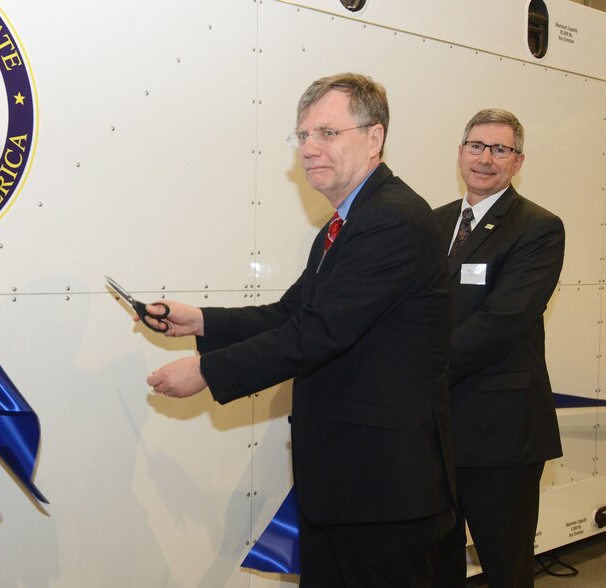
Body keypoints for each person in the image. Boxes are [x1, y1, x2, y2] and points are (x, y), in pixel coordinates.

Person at [144, 73, 456, 587]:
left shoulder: (391, 220)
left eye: (327, 133)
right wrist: (199, 321)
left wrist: (206, 371)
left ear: (374, 138)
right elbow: (292, 314)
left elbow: (318, 333)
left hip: (382, 490)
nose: (309, 148)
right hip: (345, 484)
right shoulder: (345, 223)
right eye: (303, 135)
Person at [431, 109, 564, 588]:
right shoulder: (434, 222)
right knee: (435, 567)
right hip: (435, 434)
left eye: (500, 149)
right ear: (461, 152)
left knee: (506, 569)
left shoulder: (538, 228)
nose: (485, 159)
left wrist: (415, 368)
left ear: (518, 160)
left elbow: (501, 324)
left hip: (501, 438)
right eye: (476, 146)